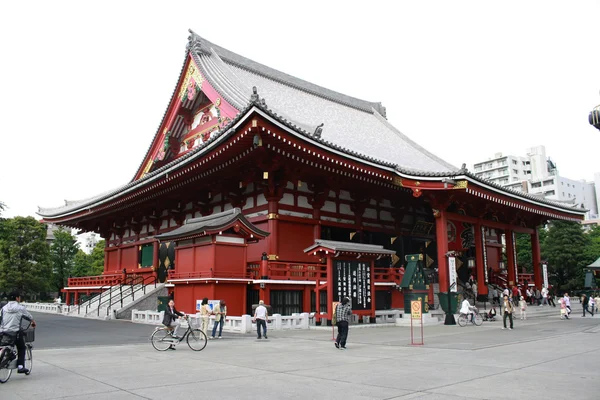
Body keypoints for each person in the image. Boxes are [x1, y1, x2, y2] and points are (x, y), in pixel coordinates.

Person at [0, 291, 37, 374]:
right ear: (17, 298)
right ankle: (20, 367)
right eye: (19, 297)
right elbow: (28, 316)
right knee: (21, 348)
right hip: (15, 332)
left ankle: (7, 354)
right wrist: (32, 321)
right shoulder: (20, 308)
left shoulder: (4, 308)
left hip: (3, 332)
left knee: (3, 345)